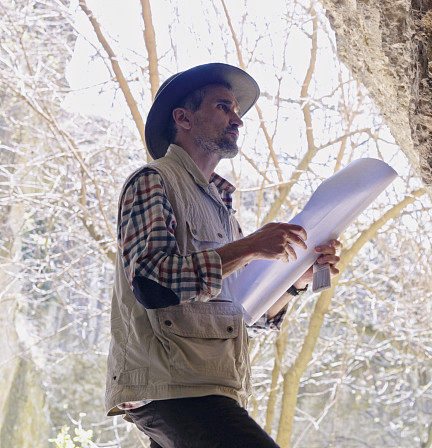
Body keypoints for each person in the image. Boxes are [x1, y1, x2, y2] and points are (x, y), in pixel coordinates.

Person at [104, 62, 340, 448]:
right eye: (223, 107)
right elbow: (152, 282)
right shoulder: (152, 181)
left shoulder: (221, 207)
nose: (238, 120)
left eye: (236, 111)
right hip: (174, 385)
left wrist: (296, 279)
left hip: (204, 384)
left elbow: (250, 310)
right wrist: (250, 247)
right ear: (184, 117)